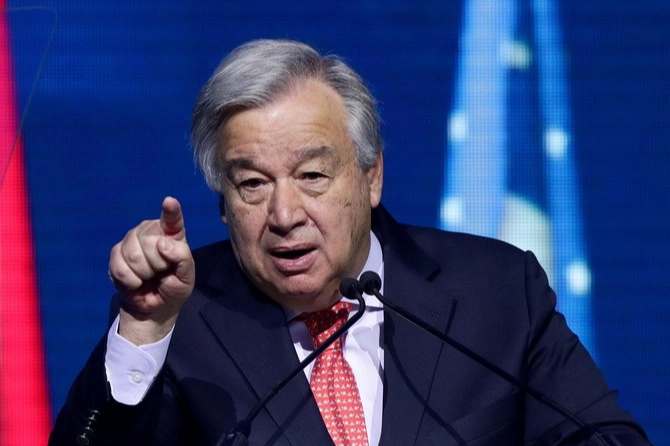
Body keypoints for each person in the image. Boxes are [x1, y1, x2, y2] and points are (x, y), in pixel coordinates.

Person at [49, 39, 650, 446]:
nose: (285, 214)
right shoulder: (180, 319)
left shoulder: (496, 291)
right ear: (223, 202)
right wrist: (144, 330)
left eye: (312, 175)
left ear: (371, 177)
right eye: (253, 184)